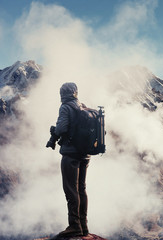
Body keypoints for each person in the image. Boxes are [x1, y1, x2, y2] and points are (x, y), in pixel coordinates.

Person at [52, 82, 90, 238]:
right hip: (85, 154)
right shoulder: (83, 106)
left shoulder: (66, 107)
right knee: (81, 188)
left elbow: (61, 129)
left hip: (71, 154)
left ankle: (74, 226)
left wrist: (54, 132)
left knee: (70, 189)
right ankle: (84, 226)